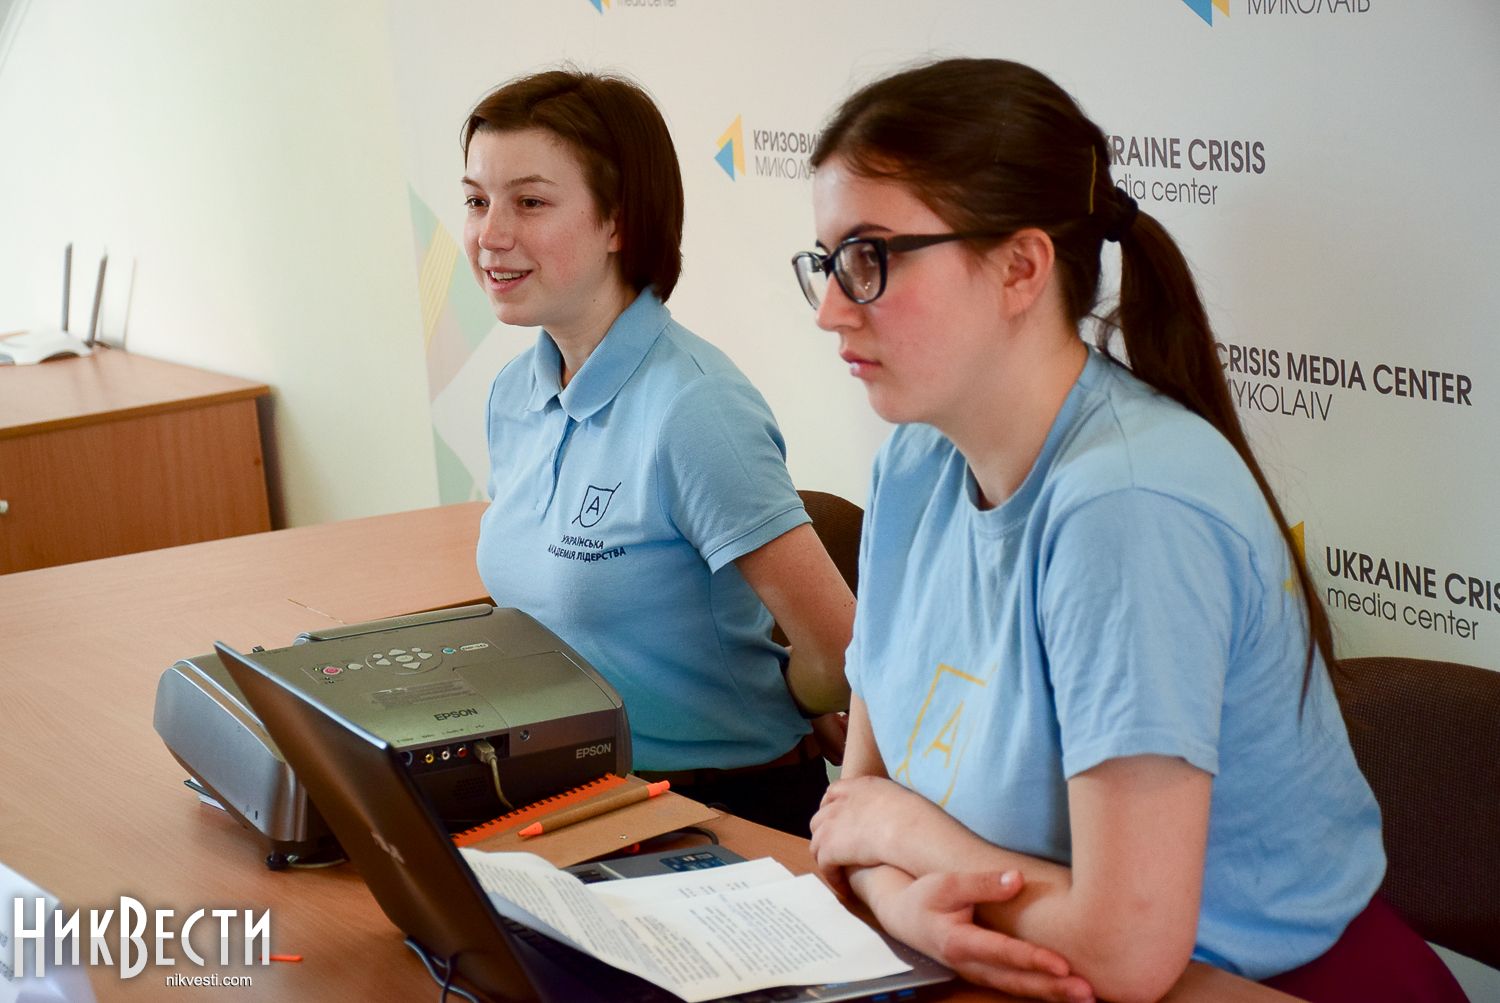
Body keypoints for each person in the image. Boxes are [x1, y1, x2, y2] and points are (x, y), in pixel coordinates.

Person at [795, 58, 1468, 1003]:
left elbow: (1124, 950)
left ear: (1021, 267)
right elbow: (849, 813)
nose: (831, 308)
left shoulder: (1130, 506)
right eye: (826, 263)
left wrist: (910, 842)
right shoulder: (913, 464)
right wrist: (903, 902)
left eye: (869, 258)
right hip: (1013, 966)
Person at [463, 68, 854, 837]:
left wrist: (790, 699)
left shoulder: (694, 407)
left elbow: (839, 653)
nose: (490, 234)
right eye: (477, 200)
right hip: (580, 793)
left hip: (724, 807)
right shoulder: (514, 392)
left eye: (530, 202)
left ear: (619, 221)